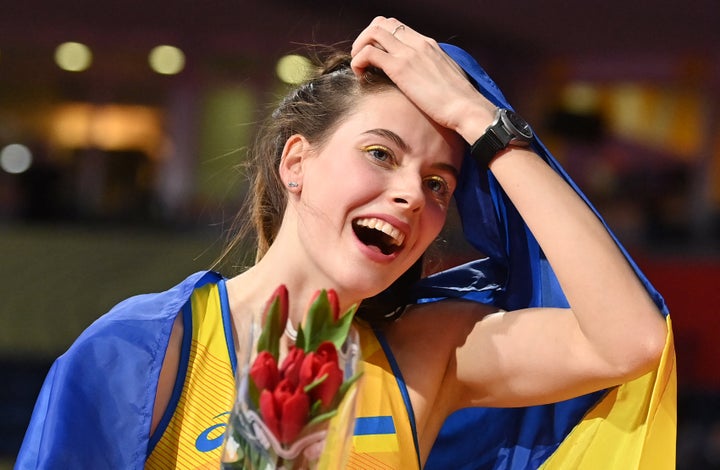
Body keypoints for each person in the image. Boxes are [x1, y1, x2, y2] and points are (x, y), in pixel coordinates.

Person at [16, 16, 675, 470]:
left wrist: (481, 121)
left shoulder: (424, 357)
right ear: (295, 162)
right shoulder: (149, 348)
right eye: (380, 153)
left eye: (440, 184)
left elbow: (632, 340)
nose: (413, 196)